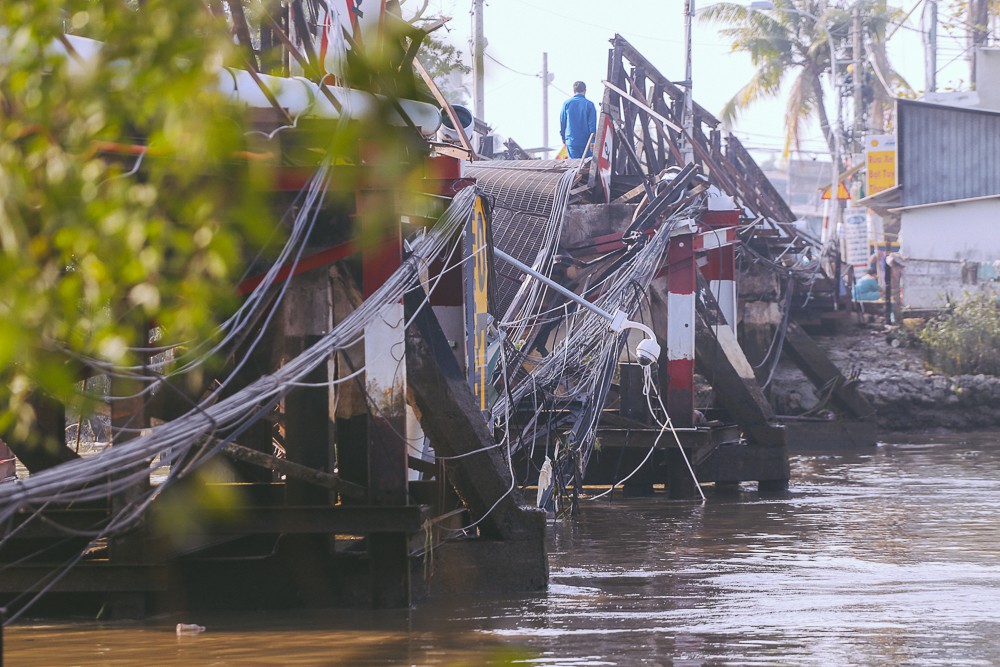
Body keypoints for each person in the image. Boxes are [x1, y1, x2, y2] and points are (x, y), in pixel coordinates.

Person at [559, 81, 597, 159]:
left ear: (573, 91)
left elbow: (563, 122)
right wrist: (593, 140)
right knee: (587, 166)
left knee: (573, 166)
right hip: (586, 141)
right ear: (585, 91)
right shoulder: (590, 105)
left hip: (571, 141)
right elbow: (592, 125)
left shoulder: (567, 104)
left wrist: (563, 136)